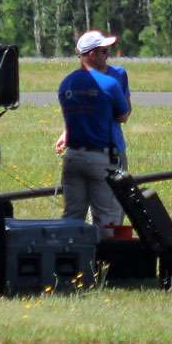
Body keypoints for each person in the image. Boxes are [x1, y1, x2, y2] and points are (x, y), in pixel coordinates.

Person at [57, 30, 130, 232]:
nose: (107, 56)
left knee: (72, 215)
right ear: (91, 54)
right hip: (101, 157)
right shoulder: (110, 83)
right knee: (107, 216)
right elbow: (122, 115)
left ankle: (69, 260)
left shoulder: (66, 84)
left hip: (72, 156)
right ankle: (101, 262)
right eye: (103, 52)